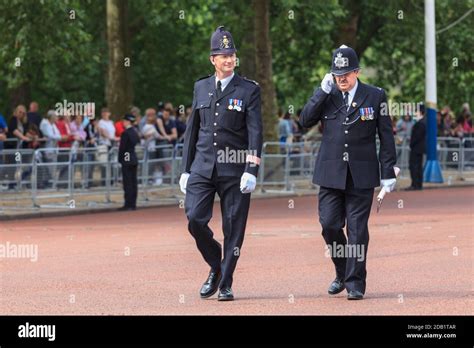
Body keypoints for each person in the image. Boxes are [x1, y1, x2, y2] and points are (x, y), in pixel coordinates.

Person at [299, 45, 397, 300]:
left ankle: (355, 283)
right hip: (330, 173)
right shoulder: (327, 94)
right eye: (336, 74)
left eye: (345, 74)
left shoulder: (375, 96)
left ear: (357, 72)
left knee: (357, 230)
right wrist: (321, 91)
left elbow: (386, 136)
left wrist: (389, 172)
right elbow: (304, 120)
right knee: (329, 225)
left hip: (361, 174)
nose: (341, 79)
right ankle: (342, 271)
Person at [179, 26, 263, 301]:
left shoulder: (248, 90)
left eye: (231, 54)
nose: (228, 59)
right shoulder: (200, 86)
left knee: (233, 227)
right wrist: (185, 169)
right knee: (194, 219)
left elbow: (255, 132)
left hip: (235, 169)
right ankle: (216, 264)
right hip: (203, 166)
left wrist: (251, 169)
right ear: (212, 59)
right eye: (222, 55)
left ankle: (225, 282)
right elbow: (192, 130)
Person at [118, 114, 140, 211]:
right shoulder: (134, 132)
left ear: (127, 121)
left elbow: (122, 148)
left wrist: (120, 159)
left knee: (128, 182)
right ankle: (133, 203)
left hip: (127, 159)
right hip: (133, 158)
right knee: (133, 181)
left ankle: (128, 204)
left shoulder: (125, 133)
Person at [407, 105, 426, 191]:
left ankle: (415, 184)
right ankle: (418, 184)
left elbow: (416, 137)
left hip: (416, 148)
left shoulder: (420, 123)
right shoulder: (423, 122)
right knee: (418, 166)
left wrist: (411, 144)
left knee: (414, 166)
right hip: (420, 148)